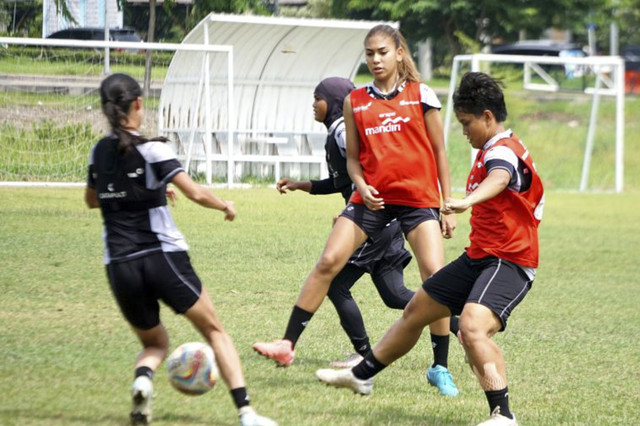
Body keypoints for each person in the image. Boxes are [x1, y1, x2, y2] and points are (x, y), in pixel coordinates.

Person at [316, 71, 545, 426]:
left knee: (471, 328)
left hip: (509, 261)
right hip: (479, 258)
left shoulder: (503, 151)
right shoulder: (491, 148)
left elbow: (499, 177)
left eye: (467, 123)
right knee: (417, 309)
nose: (464, 131)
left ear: (487, 117)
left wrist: (467, 200)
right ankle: (362, 373)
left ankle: (503, 414)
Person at [254, 24, 458, 396]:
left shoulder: (421, 95)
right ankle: (286, 345)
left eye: (382, 52)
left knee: (435, 275)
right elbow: (352, 163)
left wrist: (447, 205)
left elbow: (440, 152)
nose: (376, 59)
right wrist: (362, 186)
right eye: (369, 53)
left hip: (417, 200)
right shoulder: (355, 101)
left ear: (399, 53)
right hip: (371, 201)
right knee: (329, 261)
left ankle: (440, 366)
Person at [85, 73, 277, 426]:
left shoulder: (98, 152)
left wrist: (150, 191)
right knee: (215, 331)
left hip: (119, 265)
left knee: (155, 343)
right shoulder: (153, 148)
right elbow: (196, 193)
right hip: (162, 258)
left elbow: (92, 200)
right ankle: (247, 413)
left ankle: (143, 381)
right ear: (139, 104)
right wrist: (225, 206)